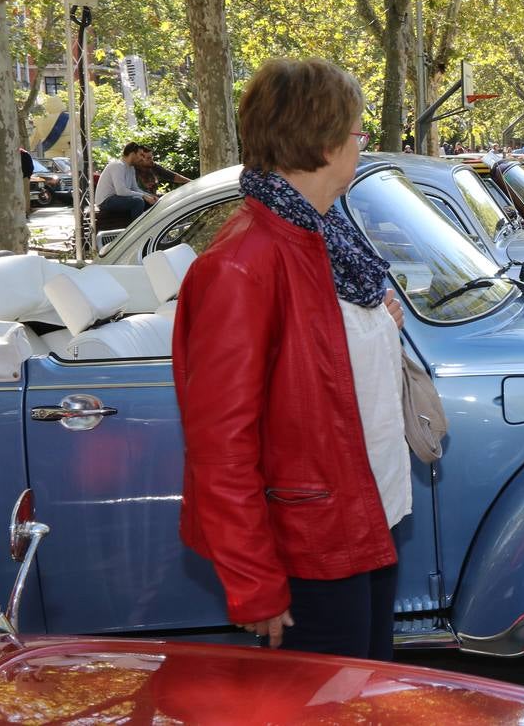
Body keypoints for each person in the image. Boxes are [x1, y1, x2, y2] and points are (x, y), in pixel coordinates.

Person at [175, 58, 409, 659]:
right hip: (312, 547)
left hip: (365, 521)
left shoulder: (327, 237)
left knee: (364, 696)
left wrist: (380, 322)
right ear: (327, 142)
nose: (362, 144)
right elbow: (220, 447)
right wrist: (255, 584)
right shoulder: (243, 261)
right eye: (357, 132)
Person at [94, 142, 158, 220]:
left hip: (118, 198)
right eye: (141, 155)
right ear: (132, 154)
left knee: (152, 200)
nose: (142, 158)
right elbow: (121, 191)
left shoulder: (131, 168)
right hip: (106, 201)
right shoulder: (117, 165)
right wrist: (144, 196)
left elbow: (135, 188)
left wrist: (149, 196)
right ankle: (137, 230)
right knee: (138, 201)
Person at [20, 147, 34, 217]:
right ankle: (25, 212)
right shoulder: (25, 153)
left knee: (25, 195)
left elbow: (31, 168)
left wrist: (26, 175)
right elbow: (31, 168)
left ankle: (26, 212)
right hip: (24, 177)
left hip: (24, 178)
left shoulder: (24, 154)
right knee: (25, 195)